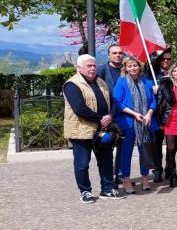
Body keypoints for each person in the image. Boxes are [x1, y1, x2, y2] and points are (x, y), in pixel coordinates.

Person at [64, 54, 125, 203]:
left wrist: (110, 116)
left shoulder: (101, 82)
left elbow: (113, 103)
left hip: (102, 130)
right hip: (81, 131)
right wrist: (101, 118)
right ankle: (85, 191)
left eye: (94, 65)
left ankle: (107, 189)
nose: (92, 68)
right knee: (82, 164)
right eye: (88, 66)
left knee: (106, 161)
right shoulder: (72, 84)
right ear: (79, 68)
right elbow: (79, 109)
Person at [112, 56, 159, 194]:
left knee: (144, 151)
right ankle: (126, 179)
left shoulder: (147, 82)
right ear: (125, 68)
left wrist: (149, 114)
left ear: (140, 67)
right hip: (128, 122)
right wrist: (134, 114)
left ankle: (145, 178)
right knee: (126, 153)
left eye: (135, 66)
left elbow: (153, 101)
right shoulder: (121, 82)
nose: (132, 68)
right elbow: (117, 101)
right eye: (129, 66)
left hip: (145, 121)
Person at [97, 44, 125, 187]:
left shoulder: (126, 69)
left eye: (120, 53)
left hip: (125, 114)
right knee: (108, 148)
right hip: (108, 115)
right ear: (109, 55)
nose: (118, 55)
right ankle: (107, 179)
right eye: (114, 53)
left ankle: (119, 175)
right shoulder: (101, 70)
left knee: (122, 147)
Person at [148, 49, 172, 183]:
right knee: (156, 145)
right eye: (163, 59)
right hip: (157, 115)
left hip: (172, 116)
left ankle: (170, 169)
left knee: (171, 145)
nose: (166, 61)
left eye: (169, 59)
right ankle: (157, 170)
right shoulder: (152, 75)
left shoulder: (175, 74)